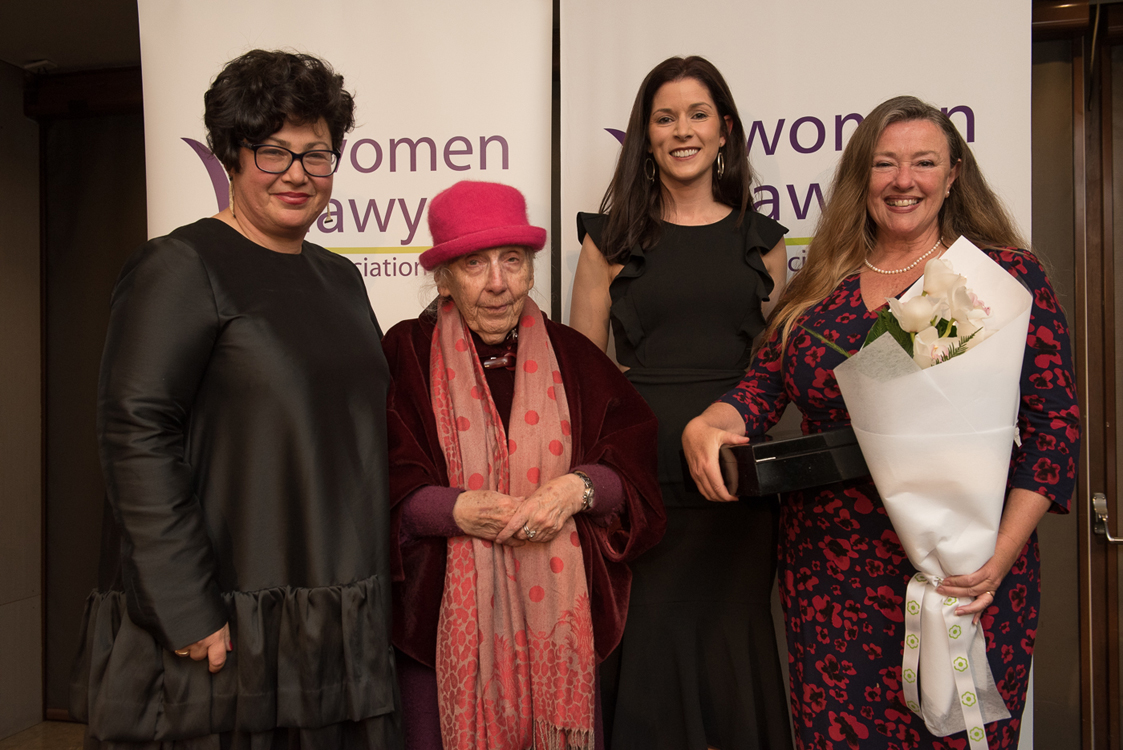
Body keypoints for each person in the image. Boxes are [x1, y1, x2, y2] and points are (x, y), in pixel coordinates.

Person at [683, 95, 1081, 749]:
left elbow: (1053, 425)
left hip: (959, 565)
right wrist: (709, 421)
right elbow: (763, 387)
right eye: (884, 163)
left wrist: (998, 557)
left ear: (953, 174)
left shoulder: (996, 276)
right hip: (830, 574)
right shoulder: (820, 285)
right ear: (860, 177)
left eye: (923, 162)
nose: (903, 180)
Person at [69, 50, 401, 748]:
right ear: (230, 154)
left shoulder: (340, 279)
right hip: (227, 624)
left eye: (317, 155)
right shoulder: (181, 266)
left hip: (336, 611)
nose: (297, 174)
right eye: (272, 151)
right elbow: (135, 434)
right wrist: (184, 605)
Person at [383, 180, 665, 750]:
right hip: (439, 620)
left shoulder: (574, 354)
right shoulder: (404, 353)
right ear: (443, 278)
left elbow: (631, 472)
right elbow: (380, 481)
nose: (497, 283)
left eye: (512, 260)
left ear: (532, 270)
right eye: (474, 263)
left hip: (560, 618)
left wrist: (577, 490)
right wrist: (455, 510)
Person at [568, 56, 791, 750]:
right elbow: (584, 377)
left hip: (735, 490)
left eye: (697, 115)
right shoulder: (607, 241)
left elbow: (775, 375)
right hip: (642, 487)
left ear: (724, 129)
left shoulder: (765, 242)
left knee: (732, 642)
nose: (682, 130)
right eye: (665, 118)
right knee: (649, 647)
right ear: (646, 135)